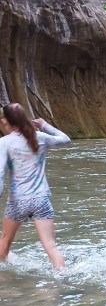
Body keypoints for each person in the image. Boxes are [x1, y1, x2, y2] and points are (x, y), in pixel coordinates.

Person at [0, 102, 70, 268]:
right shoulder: (40, 137)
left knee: (4, 242)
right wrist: (45, 125)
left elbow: (0, 173)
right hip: (41, 199)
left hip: (17, 201)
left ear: (6, 121)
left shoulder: (4, 142)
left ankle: (3, 278)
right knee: (51, 246)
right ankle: (62, 275)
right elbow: (66, 139)